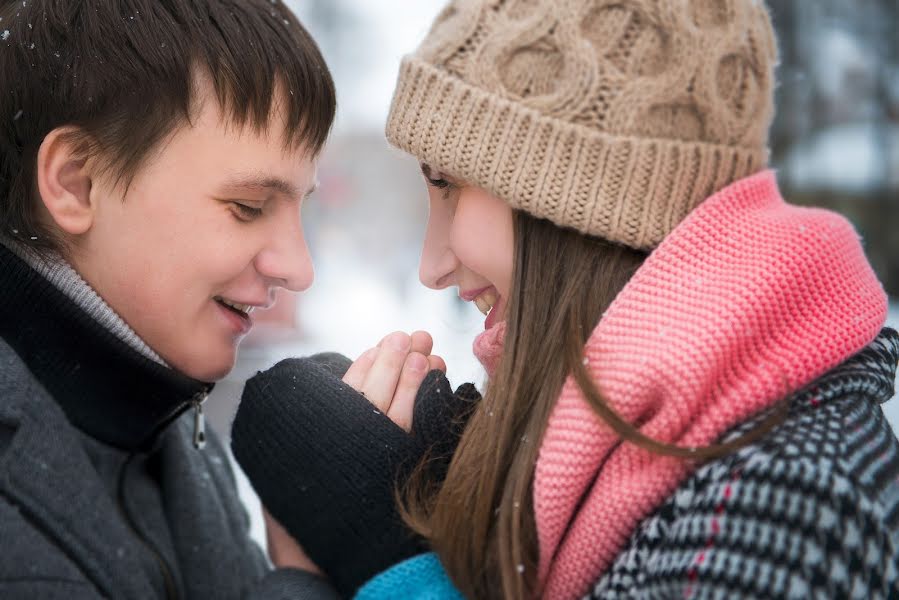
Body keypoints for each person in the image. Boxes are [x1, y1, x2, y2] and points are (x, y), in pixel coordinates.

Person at [232, 0, 899, 598]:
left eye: (449, 185)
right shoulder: (650, 456)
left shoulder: (782, 501)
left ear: (578, 200)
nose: (432, 266)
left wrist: (393, 567)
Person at [0, 0, 342, 597]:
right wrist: (305, 580)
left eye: (299, 210)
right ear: (77, 180)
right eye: (249, 207)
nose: (298, 268)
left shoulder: (155, 414)